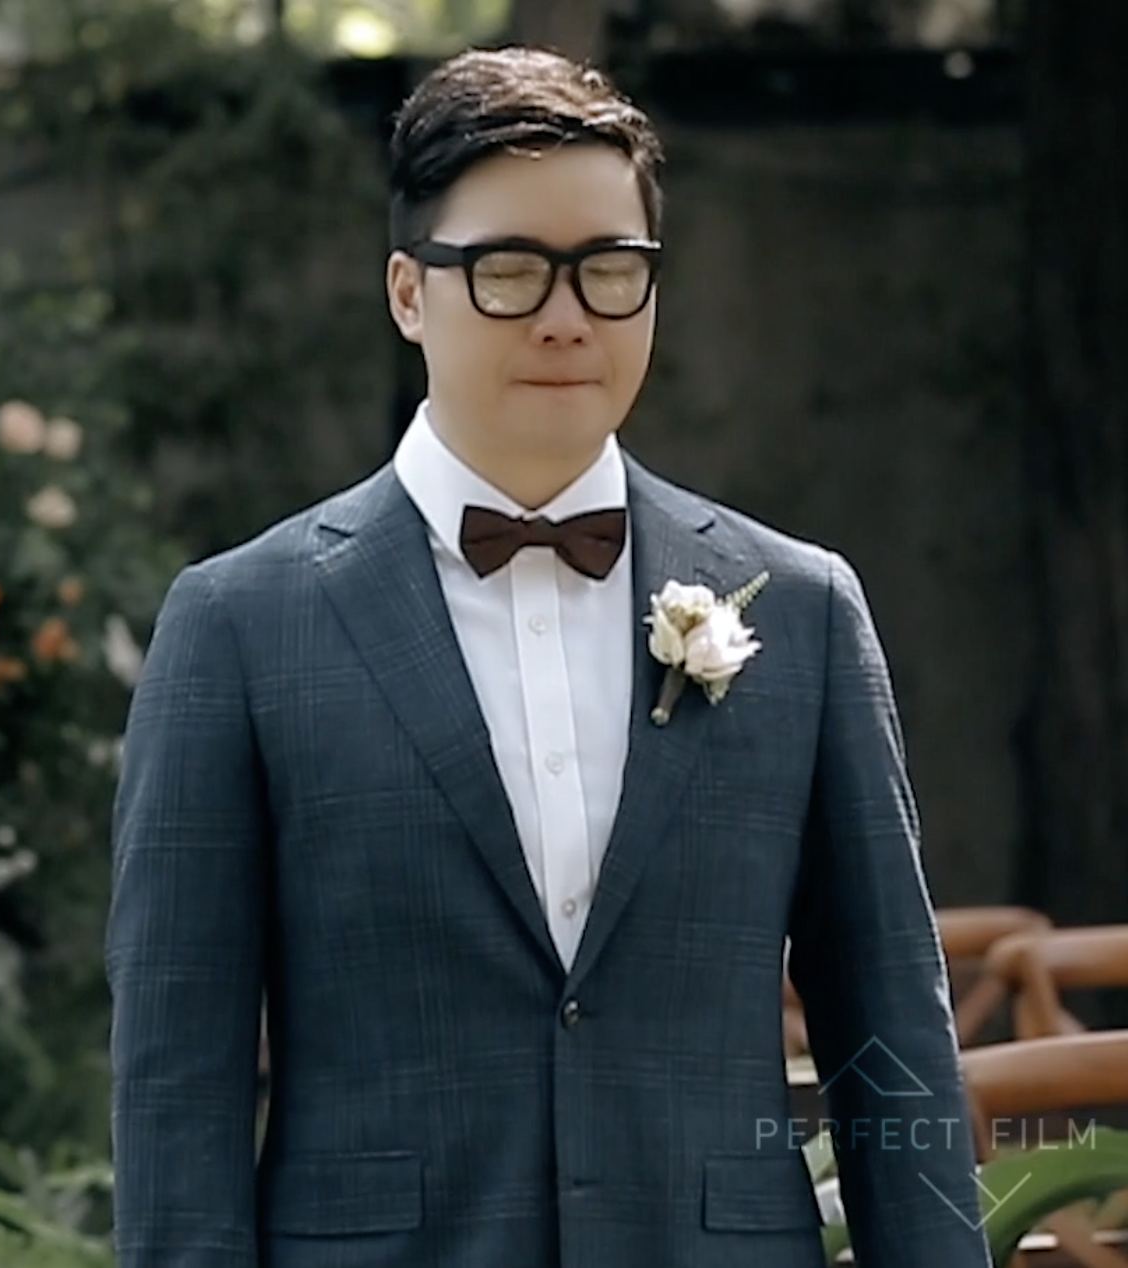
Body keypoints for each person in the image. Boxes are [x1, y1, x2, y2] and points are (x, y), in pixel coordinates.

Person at [106, 46, 986, 1268]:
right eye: (510, 270)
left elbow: (890, 1035)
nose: (565, 315)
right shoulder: (239, 625)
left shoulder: (802, 610)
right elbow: (175, 1088)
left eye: (609, 269)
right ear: (408, 293)